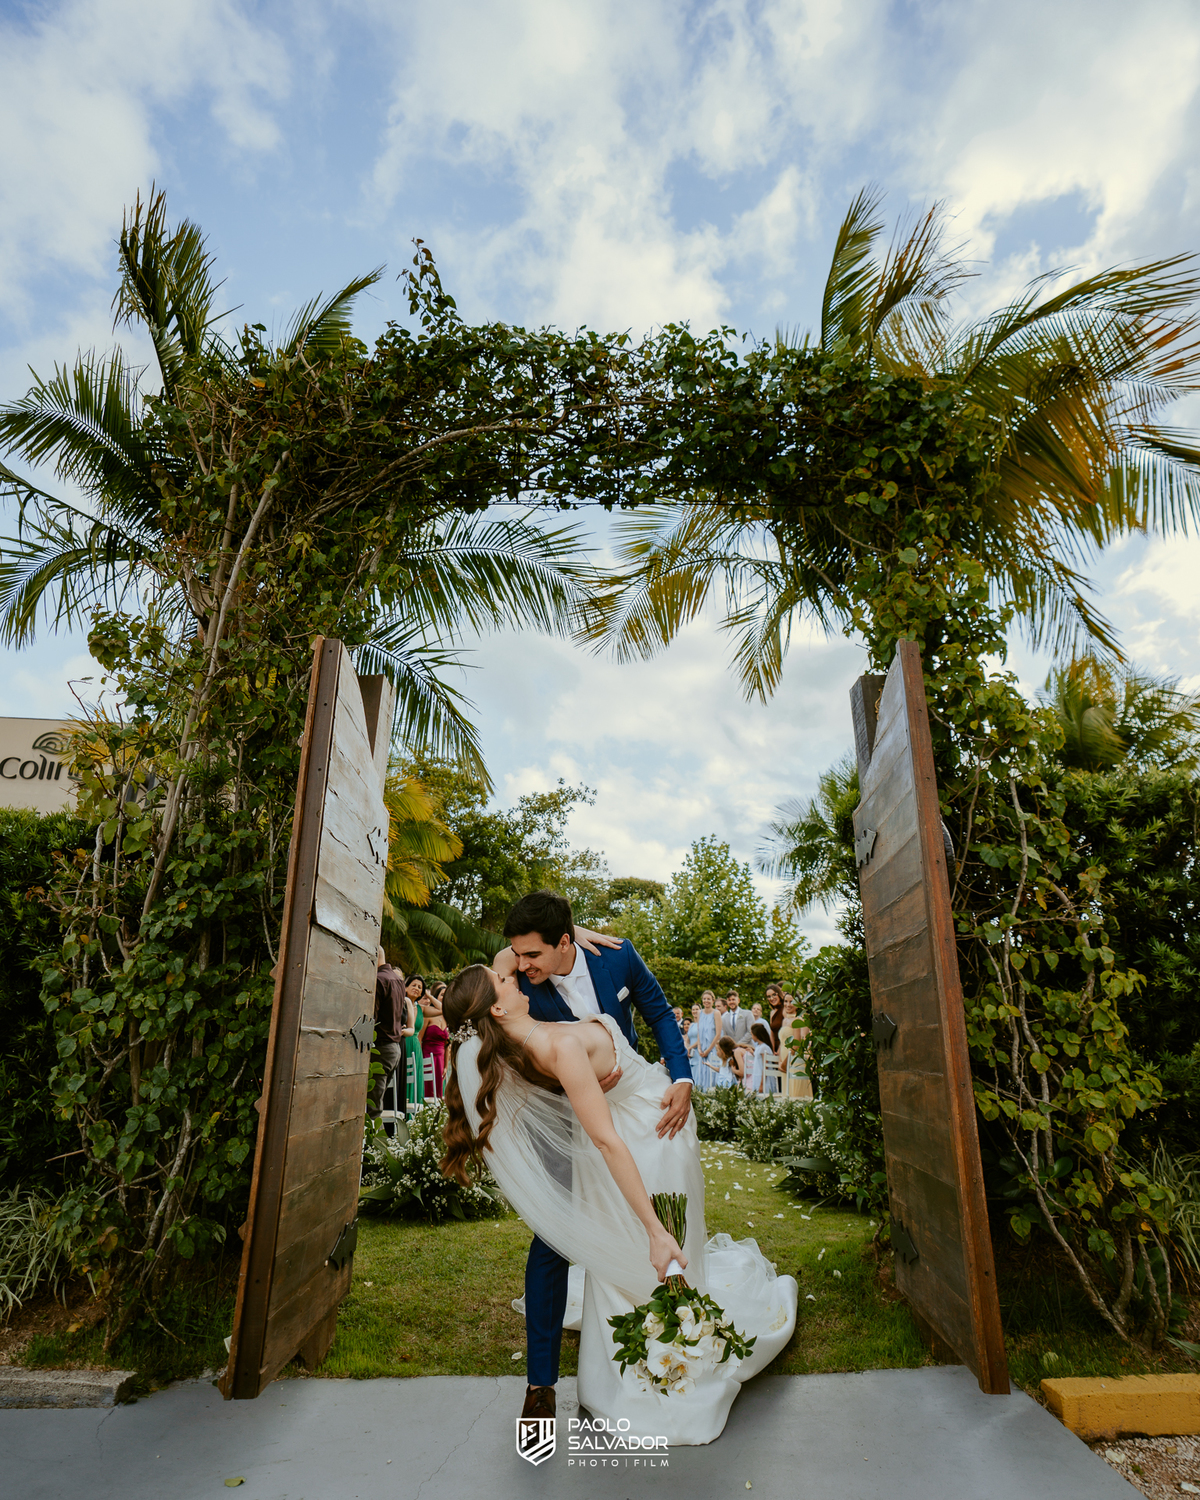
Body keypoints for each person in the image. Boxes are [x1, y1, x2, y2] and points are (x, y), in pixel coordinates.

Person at [440, 955, 798, 1445]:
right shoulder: (557, 1044)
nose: (515, 972)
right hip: (639, 1139)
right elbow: (609, 1142)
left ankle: (658, 1330)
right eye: (504, 980)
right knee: (652, 1242)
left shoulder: (522, 1042)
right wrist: (655, 1231)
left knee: (645, 1247)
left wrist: (574, 934)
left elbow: (501, 963)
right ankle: (665, 1340)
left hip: (647, 1123)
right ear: (497, 1011)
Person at [498, 890, 693, 1423]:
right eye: (517, 954)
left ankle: (666, 1327)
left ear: (565, 942)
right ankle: (541, 1385)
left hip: (628, 1106)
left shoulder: (619, 955)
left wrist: (681, 1076)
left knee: (650, 1210)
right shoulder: (519, 981)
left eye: (533, 955)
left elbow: (657, 1011)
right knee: (553, 1240)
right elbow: (495, 970)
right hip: (562, 1118)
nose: (522, 965)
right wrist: (528, 955)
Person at [368, 947, 411, 1120]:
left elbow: (372, 1017)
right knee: (376, 1101)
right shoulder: (397, 980)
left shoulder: (379, 980)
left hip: (382, 1048)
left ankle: (369, 1146)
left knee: (372, 1107)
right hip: (395, 1048)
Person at [421, 985, 451, 1099]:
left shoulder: (447, 1018)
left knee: (439, 1092)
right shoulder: (428, 1015)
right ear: (436, 996)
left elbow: (447, 1044)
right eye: (442, 995)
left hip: (441, 1059)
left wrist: (446, 1066)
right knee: (428, 1088)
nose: (444, 998)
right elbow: (420, 1039)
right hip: (428, 1056)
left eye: (446, 995)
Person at [405, 975, 427, 1108]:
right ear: (406, 986)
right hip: (403, 1043)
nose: (416, 988)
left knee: (416, 1079)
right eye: (413, 985)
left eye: (420, 987)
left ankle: (414, 1117)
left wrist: (428, 995)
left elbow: (442, 1009)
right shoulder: (400, 1003)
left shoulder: (421, 1009)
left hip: (416, 1047)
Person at [695, 991, 718, 1091]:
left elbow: (717, 1034)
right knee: (702, 1074)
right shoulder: (699, 1013)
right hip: (701, 1050)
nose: (706, 1001)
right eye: (704, 999)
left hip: (712, 1049)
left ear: (713, 1000)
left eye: (708, 999)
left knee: (711, 1075)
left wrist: (708, 1050)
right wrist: (699, 1048)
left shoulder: (716, 1013)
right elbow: (699, 1032)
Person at [748, 1020, 776, 1095]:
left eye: (752, 1034)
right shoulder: (759, 1047)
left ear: (756, 1035)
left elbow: (765, 1066)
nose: (751, 1037)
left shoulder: (764, 1048)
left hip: (763, 1079)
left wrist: (762, 1084)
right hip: (757, 1076)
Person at [686, 1004, 704, 1089]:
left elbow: (700, 1039)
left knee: (698, 1072)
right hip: (691, 1054)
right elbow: (687, 1039)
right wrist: (687, 1048)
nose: (695, 1011)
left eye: (697, 1009)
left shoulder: (702, 1024)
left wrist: (690, 1048)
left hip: (698, 1051)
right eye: (693, 1009)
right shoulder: (692, 1025)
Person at [765, 983, 785, 1049]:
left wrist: (780, 1049)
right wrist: (772, 1049)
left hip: (784, 1046)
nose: (771, 998)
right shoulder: (772, 1012)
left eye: (774, 995)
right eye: (769, 996)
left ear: (779, 994)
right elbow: (772, 1034)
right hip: (775, 1047)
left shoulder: (785, 1009)